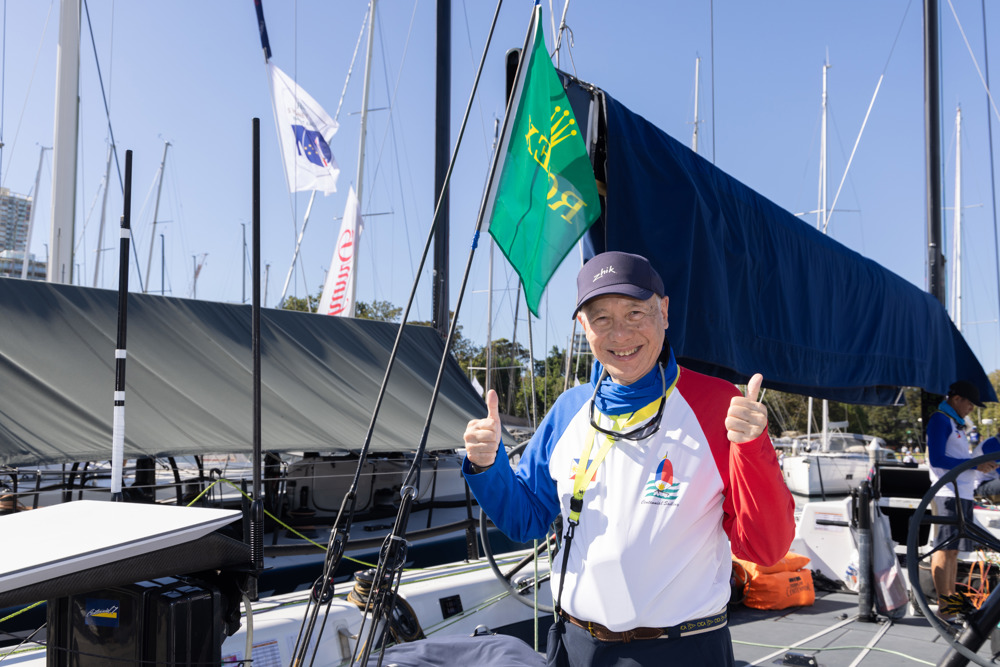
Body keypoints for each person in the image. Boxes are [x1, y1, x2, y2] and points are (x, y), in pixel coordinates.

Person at [463, 251, 795, 667]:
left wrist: (753, 448)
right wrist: (486, 464)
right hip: (576, 647)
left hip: (683, 651)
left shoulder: (719, 406)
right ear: (583, 327)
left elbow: (765, 548)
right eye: (601, 318)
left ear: (665, 313)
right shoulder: (568, 410)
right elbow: (525, 519)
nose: (620, 334)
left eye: (636, 313)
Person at [927, 380, 998, 620]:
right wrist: (974, 464)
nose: (971, 408)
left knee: (954, 551)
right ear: (956, 399)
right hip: (947, 492)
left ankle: (951, 606)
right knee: (945, 549)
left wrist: (977, 466)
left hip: (962, 493)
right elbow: (937, 459)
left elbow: (955, 459)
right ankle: (945, 607)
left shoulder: (956, 423)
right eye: (969, 403)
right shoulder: (940, 420)